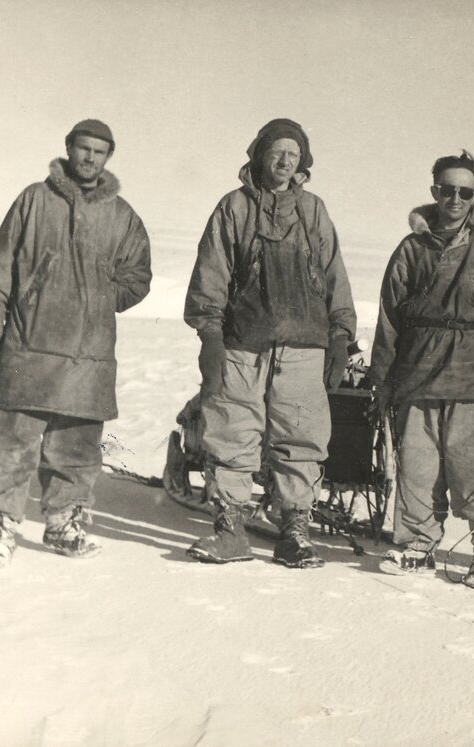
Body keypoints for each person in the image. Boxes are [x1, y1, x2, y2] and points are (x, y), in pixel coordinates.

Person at [0, 119, 152, 568]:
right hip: (28, 343)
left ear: (108, 157)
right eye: (83, 148)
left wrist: (98, 297)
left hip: (87, 354)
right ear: (69, 149)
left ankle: (63, 524)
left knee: (75, 446)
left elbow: (138, 278)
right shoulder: (34, 200)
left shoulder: (122, 216)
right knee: (13, 441)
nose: (90, 158)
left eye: (99, 151)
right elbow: (1, 265)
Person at [184, 118, 356, 569]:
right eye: (277, 152)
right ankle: (230, 528)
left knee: (300, 437)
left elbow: (335, 274)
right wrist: (210, 336)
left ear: (303, 164)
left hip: (303, 343)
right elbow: (212, 272)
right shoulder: (234, 207)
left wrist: (340, 334)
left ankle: (295, 529)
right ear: (260, 155)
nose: (284, 162)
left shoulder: (313, 210)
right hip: (243, 342)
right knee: (232, 432)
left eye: (294, 156)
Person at [369, 151, 474, 589]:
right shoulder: (411, 248)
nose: (455, 199)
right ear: (434, 192)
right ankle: (419, 545)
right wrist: (383, 379)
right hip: (417, 372)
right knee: (418, 467)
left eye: (464, 191)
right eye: (447, 190)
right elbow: (389, 318)